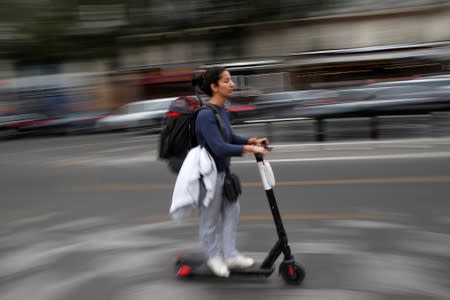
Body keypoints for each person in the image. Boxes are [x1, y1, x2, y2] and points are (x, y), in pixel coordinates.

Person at [193, 67, 269, 278]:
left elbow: (229, 137)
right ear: (214, 87)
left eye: (231, 80)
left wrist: (250, 141)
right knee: (209, 221)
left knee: (231, 214)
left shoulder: (222, 111)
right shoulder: (205, 115)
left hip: (224, 174)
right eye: (227, 81)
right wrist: (249, 149)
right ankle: (213, 257)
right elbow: (218, 146)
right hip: (207, 178)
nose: (232, 84)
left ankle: (230, 255)